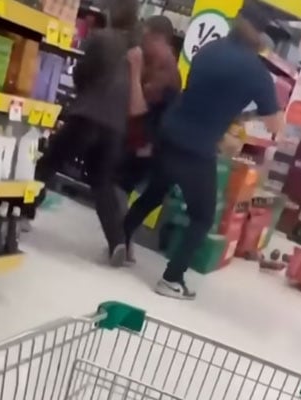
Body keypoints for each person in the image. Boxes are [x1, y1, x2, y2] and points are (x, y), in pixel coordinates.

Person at [123, 0, 284, 300]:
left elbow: (206, 96)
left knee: (155, 192)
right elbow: (275, 124)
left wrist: (232, 114)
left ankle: (119, 240)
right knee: (202, 216)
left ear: (237, 19)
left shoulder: (210, 49)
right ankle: (172, 279)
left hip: (169, 132)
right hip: (196, 149)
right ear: (261, 36)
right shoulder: (256, 72)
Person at [32, 0, 140, 266]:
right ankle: (117, 242)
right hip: (115, 125)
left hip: (88, 115)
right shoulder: (136, 49)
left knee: (49, 162)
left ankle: (21, 210)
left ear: (113, 12)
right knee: (101, 182)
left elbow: (81, 73)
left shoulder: (101, 39)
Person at [119, 15, 182, 194]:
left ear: (158, 38)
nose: (142, 43)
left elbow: (138, 110)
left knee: (115, 189)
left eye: (145, 38)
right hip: (139, 142)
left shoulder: (166, 72)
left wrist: (135, 70)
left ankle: (116, 222)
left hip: (142, 146)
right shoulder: (158, 64)